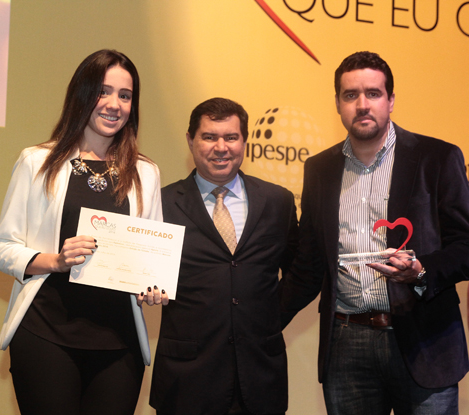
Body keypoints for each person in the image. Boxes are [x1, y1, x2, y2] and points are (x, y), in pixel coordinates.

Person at [280, 51, 469, 415]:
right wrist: (259, 324)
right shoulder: (319, 169)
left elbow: (465, 245)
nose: (362, 104)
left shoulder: (437, 158)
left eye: (373, 93)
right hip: (346, 345)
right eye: (351, 95)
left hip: (424, 341)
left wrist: (421, 271)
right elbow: (309, 264)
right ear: (337, 103)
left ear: (391, 100)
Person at [0, 49, 164, 415]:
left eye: (125, 95)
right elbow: (3, 248)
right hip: (45, 334)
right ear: (82, 95)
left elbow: (150, 258)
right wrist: (55, 261)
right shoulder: (37, 162)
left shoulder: (146, 173)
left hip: (120, 344)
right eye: (103, 91)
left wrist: (153, 286)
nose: (114, 104)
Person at [150, 98, 298, 415]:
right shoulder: (159, 204)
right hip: (186, 380)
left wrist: (267, 318)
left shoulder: (278, 202)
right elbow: (140, 272)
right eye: (209, 137)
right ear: (190, 140)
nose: (221, 147)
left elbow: (300, 272)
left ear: (244, 141)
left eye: (231, 137)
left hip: (261, 378)